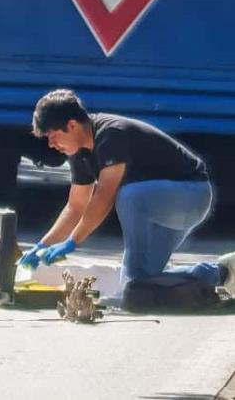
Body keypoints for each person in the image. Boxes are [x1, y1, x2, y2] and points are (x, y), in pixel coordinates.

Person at [19, 89, 235, 297]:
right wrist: (42, 246)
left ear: (72, 125)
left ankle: (128, 289)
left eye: (52, 135)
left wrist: (72, 242)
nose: (50, 144)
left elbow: (104, 196)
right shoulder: (79, 154)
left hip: (191, 195)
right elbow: (75, 206)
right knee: (144, 280)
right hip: (162, 205)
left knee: (128, 196)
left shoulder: (110, 134)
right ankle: (222, 272)